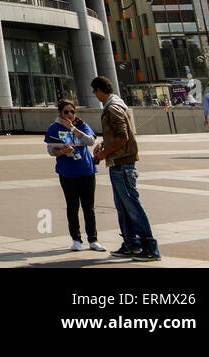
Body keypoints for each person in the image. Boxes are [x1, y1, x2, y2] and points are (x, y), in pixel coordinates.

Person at [91, 75, 160, 260]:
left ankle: (150, 247)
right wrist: (104, 145)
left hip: (122, 165)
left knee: (132, 206)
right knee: (123, 207)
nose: (95, 95)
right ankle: (132, 243)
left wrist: (104, 153)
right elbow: (117, 135)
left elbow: (123, 137)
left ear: (99, 90)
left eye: (95, 91)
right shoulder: (115, 105)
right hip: (119, 164)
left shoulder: (112, 108)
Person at [45, 98, 105, 252]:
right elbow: (51, 150)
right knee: (72, 207)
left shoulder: (81, 125)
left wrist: (72, 128)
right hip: (67, 173)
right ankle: (76, 239)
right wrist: (63, 151)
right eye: (66, 112)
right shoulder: (54, 128)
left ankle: (93, 239)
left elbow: (90, 141)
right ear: (60, 113)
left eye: (72, 111)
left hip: (86, 171)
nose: (70, 114)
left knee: (89, 207)